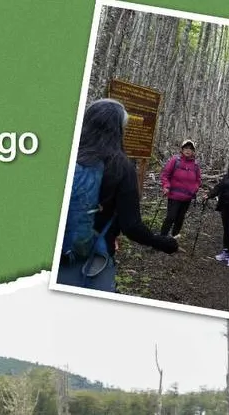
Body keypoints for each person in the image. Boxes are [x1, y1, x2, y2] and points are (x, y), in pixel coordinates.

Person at [57, 99, 178, 293]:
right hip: (93, 255)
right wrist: (162, 242)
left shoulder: (66, 154)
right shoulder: (121, 166)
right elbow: (131, 226)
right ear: (119, 129)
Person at [159, 139, 203, 239]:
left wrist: (195, 189)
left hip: (187, 197)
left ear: (193, 151)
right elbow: (165, 175)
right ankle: (162, 238)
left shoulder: (195, 165)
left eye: (190, 149)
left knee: (180, 218)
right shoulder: (175, 160)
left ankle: (174, 237)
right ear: (182, 150)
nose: (188, 150)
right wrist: (166, 186)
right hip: (174, 195)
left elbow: (198, 180)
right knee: (171, 217)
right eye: (186, 148)